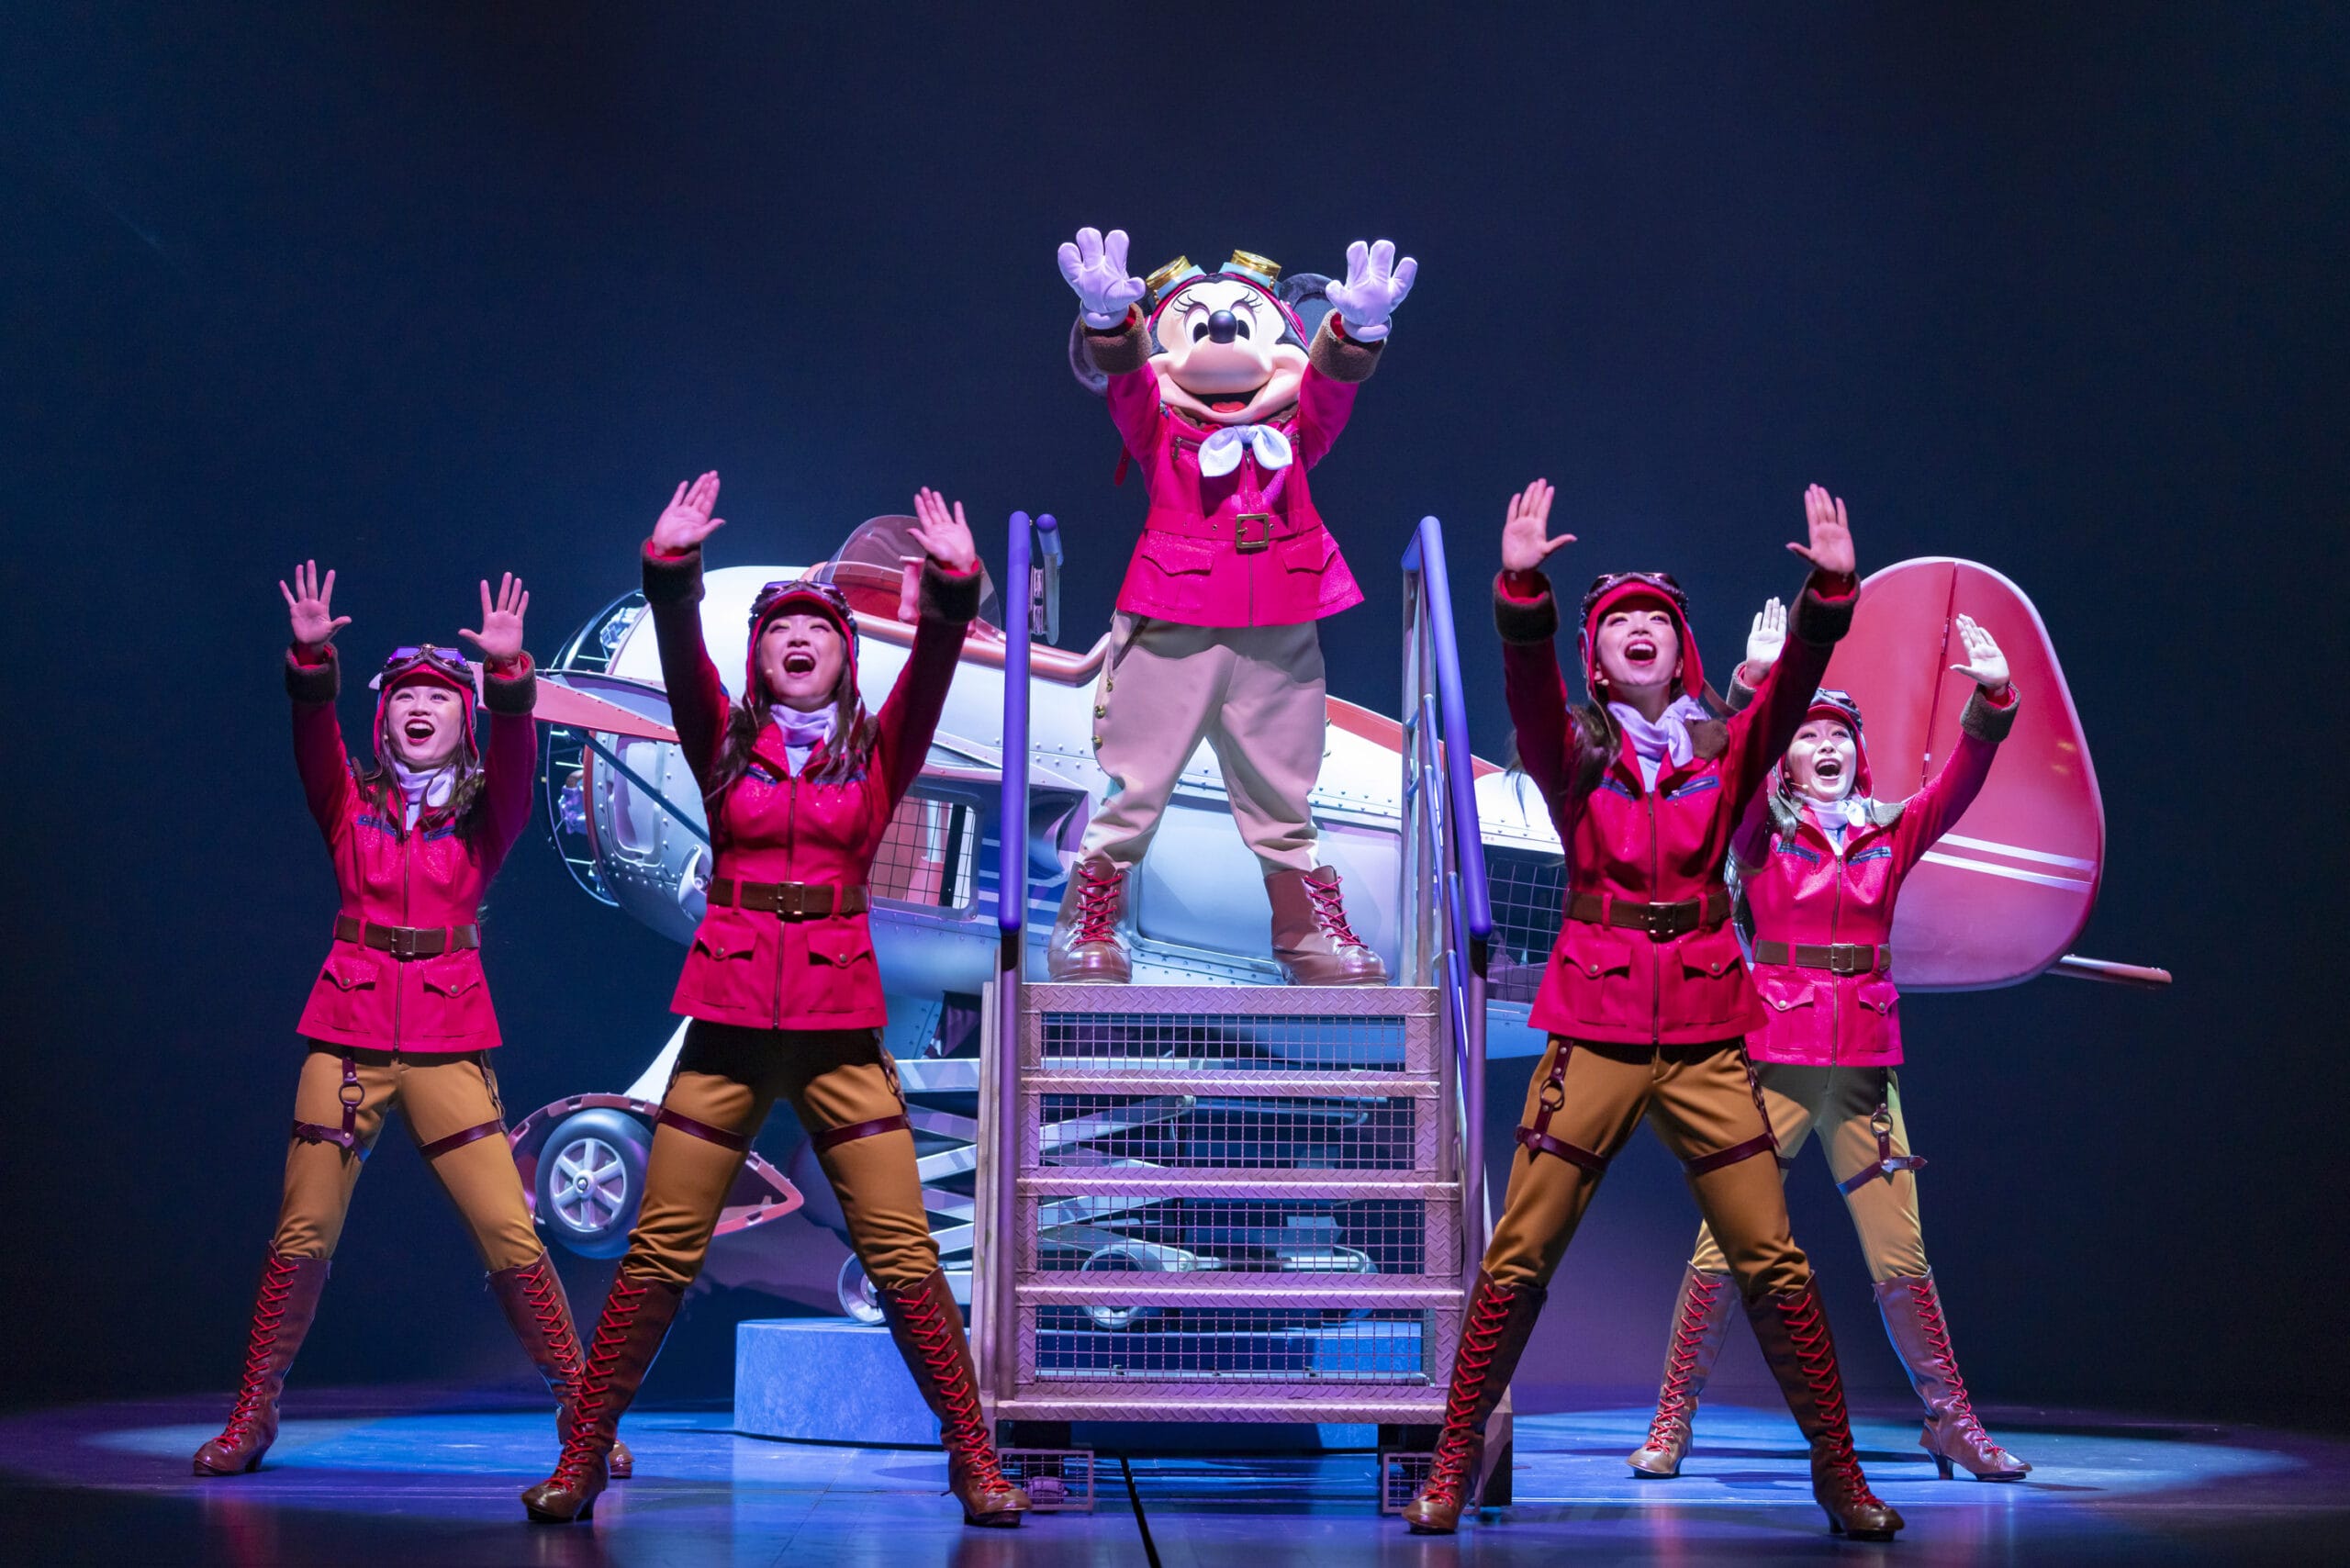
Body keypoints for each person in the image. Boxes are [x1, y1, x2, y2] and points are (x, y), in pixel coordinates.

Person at [521, 476, 1028, 1528]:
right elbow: (680, 660)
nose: (797, 638)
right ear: (758, 658)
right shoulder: (721, 748)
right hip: (733, 1025)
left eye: (817, 628)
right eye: (779, 630)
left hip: (840, 1029)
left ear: (846, 656)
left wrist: (953, 586)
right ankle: (581, 1456)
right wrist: (669, 574)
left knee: (898, 1247)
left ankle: (974, 1460)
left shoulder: (878, 754)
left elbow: (933, 669)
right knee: (662, 1245)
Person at [1403, 480, 1901, 1540]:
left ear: (1684, 653)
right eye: (1618, 620)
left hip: (1710, 1040)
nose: (1639, 630)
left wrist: (1828, 594)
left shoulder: (1725, 753)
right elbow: (1526, 681)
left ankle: (1840, 1474)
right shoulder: (1573, 754)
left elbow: (1793, 686)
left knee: (1772, 1259)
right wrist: (1524, 589)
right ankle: (1451, 1461)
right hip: (1598, 1023)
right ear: (1598, 654)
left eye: (1657, 622)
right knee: (1518, 1253)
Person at [196, 566, 628, 1482]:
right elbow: (312, 737)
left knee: (510, 1231)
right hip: (347, 1029)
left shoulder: (485, 819)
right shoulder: (349, 810)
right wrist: (313, 660)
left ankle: (582, 1417)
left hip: (445, 1036)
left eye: (439, 696)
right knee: (301, 1226)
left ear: (460, 720)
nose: (421, 708)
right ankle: (253, 1412)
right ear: (382, 716)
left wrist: (510, 679)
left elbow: (515, 754)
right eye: (404, 698)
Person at [1628, 606, 2030, 1482]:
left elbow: (1960, 783)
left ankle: (1952, 1423)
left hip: (1863, 1076)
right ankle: (1672, 1421)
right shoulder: (1756, 832)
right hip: (1772, 1060)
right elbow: (1722, 768)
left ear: (1858, 751)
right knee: (1720, 1248)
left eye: (1837, 735)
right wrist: (1753, 687)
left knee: (1901, 1258)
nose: (1825, 746)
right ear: (1787, 757)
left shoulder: (1891, 834)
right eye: (1806, 734)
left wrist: (1993, 698)